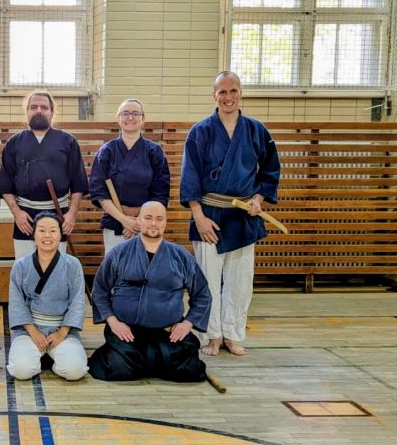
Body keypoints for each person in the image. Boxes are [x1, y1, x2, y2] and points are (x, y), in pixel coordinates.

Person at [180, 71, 281, 356]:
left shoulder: (256, 130)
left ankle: (233, 334)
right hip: (210, 214)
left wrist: (259, 198)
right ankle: (211, 335)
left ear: (241, 93)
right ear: (214, 95)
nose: (228, 97)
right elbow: (190, 177)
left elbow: (271, 170)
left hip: (244, 216)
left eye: (233, 91)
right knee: (207, 280)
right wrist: (198, 217)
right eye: (222, 92)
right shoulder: (200, 131)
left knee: (240, 281)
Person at [88, 201, 211, 382]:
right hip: (127, 331)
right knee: (118, 369)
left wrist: (188, 323)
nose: (154, 223)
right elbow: (99, 290)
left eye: (159, 219)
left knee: (188, 372)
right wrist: (113, 322)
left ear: (165, 222)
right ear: (139, 220)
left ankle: (150, 363)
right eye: (148, 218)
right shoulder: (119, 252)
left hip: (167, 332)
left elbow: (202, 294)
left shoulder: (181, 255)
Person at [0, 91, 89, 258]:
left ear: (52, 112)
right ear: (27, 111)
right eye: (33, 107)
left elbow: (78, 183)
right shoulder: (14, 142)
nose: (38, 110)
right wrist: (17, 213)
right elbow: (6, 184)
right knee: (24, 267)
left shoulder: (68, 142)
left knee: (55, 269)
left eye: (44, 107)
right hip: (25, 216)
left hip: (57, 212)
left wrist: (72, 214)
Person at [7, 212, 89, 381]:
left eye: (53, 231)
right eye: (42, 230)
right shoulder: (21, 266)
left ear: (60, 235)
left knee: (76, 370)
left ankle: (50, 358)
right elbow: (17, 303)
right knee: (20, 371)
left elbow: (77, 302)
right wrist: (33, 332)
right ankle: (38, 356)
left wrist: (63, 332)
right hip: (29, 330)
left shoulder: (72, 265)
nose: (47, 236)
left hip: (61, 330)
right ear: (34, 234)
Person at [88, 99, 170, 254]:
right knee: (115, 271)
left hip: (147, 225)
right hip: (115, 222)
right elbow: (99, 191)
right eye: (125, 113)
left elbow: (160, 192)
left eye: (135, 113)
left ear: (143, 119)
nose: (130, 118)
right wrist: (124, 220)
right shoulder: (107, 151)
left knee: (145, 271)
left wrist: (139, 221)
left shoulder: (154, 152)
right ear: (118, 118)